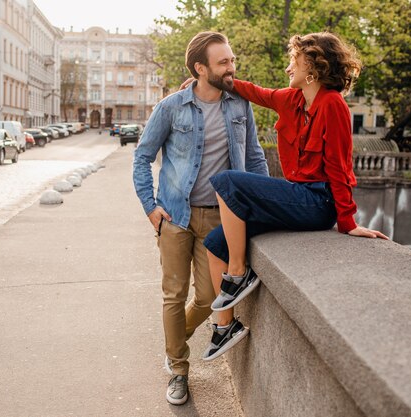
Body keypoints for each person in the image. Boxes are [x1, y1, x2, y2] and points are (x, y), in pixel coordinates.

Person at [192, 32, 389, 361]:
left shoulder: (333, 106)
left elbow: (339, 168)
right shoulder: (291, 99)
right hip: (297, 196)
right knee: (215, 243)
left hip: (317, 203)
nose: (287, 68)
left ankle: (238, 274)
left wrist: (348, 222)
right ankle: (225, 325)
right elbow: (254, 92)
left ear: (311, 67)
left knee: (227, 181)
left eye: (293, 62)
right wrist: (214, 79)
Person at [133, 31, 268, 405]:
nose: (232, 68)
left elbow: (254, 157)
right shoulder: (171, 107)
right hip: (174, 217)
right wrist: (150, 207)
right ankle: (178, 369)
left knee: (211, 297)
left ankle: (174, 341)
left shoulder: (240, 105)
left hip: (219, 218)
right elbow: (142, 157)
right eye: (224, 62)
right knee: (174, 296)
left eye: (232, 60)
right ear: (200, 68)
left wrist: (265, 205)